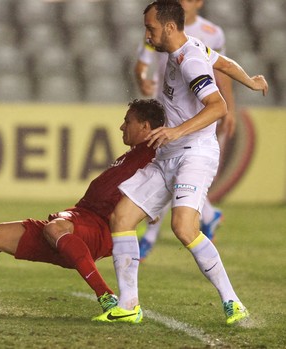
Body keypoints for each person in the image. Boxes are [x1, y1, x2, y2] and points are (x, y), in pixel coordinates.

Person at [0, 99, 165, 314]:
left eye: (127, 121)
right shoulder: (133, 155)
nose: (121, 126)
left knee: (56, 227)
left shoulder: (155, 153)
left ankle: (106, 296)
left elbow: (171, 178)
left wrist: (155, 207)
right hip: (78, 223)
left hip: (98, 229)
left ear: (145, 126)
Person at [94, 0, 268, 325]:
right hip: (168, 154)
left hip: (195, 153)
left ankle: (232, 301)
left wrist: (176, 131)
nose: (148, 35)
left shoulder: (189, 63)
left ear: (170, 27)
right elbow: (224, 62)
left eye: (151, 29)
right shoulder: (190, 48)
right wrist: (252, 81)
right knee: (120, 218)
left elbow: (218, 107)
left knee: (183, 228)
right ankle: (129, 304)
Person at [134, 0, 234, 260]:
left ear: (199, 3)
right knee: (171, 175)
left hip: (190, 120)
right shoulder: (156, 29)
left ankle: (148, 237)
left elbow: (221, 70)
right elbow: (142, 63)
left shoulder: (209, 35)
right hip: (164, 111)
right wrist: (142, 79)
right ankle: (210, 216)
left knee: (174, 173)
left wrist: (229, 108)